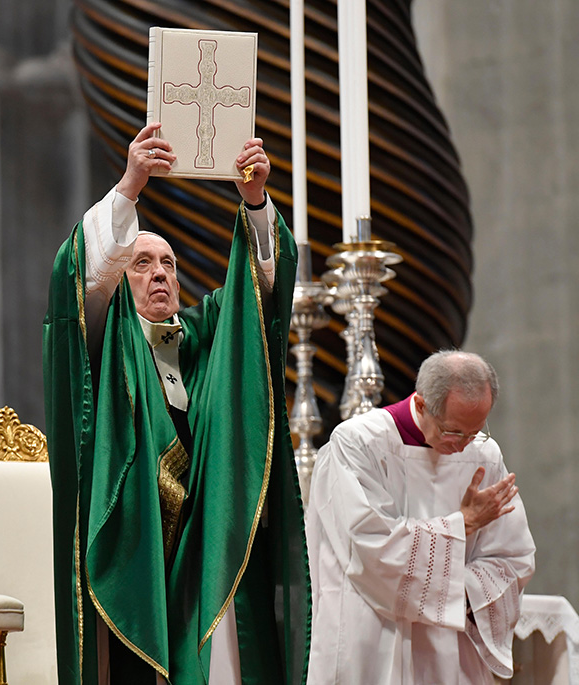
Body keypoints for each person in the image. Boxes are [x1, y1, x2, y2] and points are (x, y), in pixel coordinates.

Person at [43, 122, 310, 684]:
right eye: (142, 263)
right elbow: (81, 276)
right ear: (119, 276)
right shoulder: (103, 337)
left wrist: (256, 201)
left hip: (203, 546)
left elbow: (257, 304)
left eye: (168, 263)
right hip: (136, 546)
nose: (160, 272)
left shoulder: (206, 337)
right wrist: (132, 185)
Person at [305, 350, 536, 684]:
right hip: (373, 639)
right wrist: (463, 525)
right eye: (453, 432)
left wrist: (465, 593)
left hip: (453, 648)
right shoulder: (358, 445)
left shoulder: (483, 454)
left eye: (475, 432)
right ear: (422, 403)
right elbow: (370, 550)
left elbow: (513, 558)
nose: (462, 446)